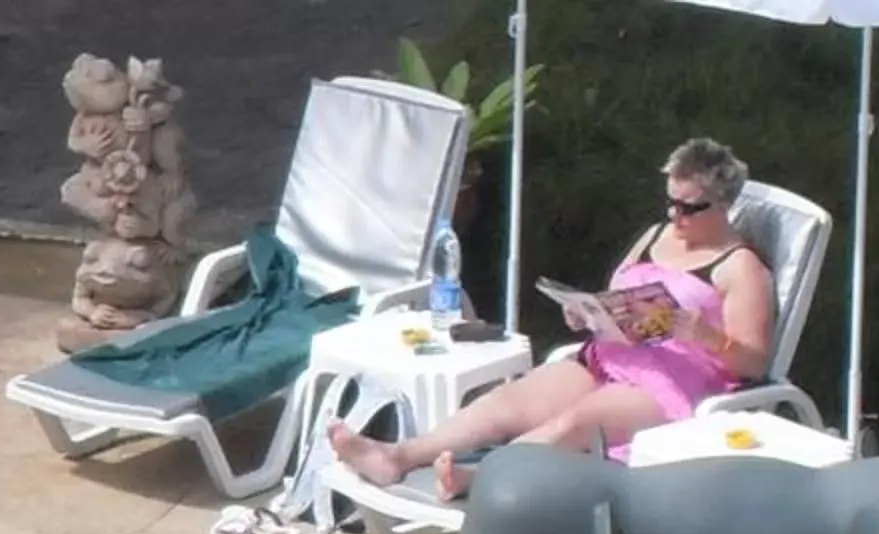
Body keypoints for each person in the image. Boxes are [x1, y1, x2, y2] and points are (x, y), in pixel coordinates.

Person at [326, 138, 778, 491]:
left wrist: (704, 335)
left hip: (673, 384)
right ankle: (398, 456)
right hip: (609, 356)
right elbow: (621, 294)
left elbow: (755, 362)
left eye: (689, 207)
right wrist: (589, 315)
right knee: (506, 403)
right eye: (671, 202)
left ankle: (485, 478)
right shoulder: (656, 234)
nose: (675, 215)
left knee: (573, 424)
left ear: (722, 205)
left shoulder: (741, 268)